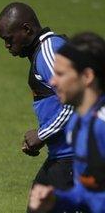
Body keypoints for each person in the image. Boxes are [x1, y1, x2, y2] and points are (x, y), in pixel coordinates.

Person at [0, 2, 74, 199]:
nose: (7, 46)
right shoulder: (47, 49)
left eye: (9, 39)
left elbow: (76, 101)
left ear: (26, 29)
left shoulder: (49, 53)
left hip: (74, 157)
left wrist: (42, 134)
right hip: (63, 155)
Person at [29, 32, 105, 212]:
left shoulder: (102, 126)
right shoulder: (76, 125)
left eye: (60, 74)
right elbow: (87, 193)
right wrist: (56, 200)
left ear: (87, 77)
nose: (53, 82)